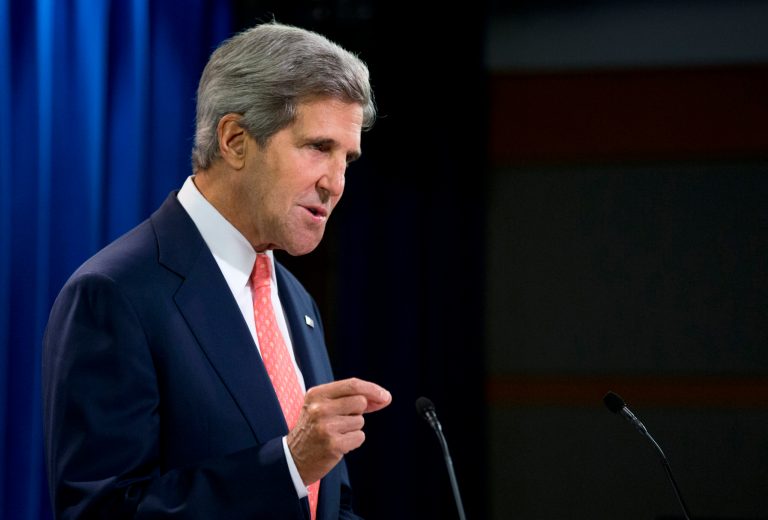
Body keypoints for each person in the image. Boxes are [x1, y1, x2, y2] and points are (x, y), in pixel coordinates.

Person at [42, 21, 391, 519]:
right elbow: (100, 512)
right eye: (318, 148)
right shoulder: (113, 295)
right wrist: (288, 465)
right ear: (234, 140)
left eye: (347, 159)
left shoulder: (295, 300)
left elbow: (329, 503)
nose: (335, 183)